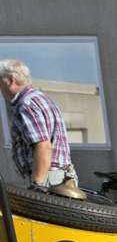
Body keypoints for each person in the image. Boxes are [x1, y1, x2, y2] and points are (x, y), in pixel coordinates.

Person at [0, 59, 76, 189]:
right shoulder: (40, 98)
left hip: (47, 177)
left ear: (11, 80)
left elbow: (43, 146)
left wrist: (37, 184)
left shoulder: (26, 103)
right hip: (56, 176)